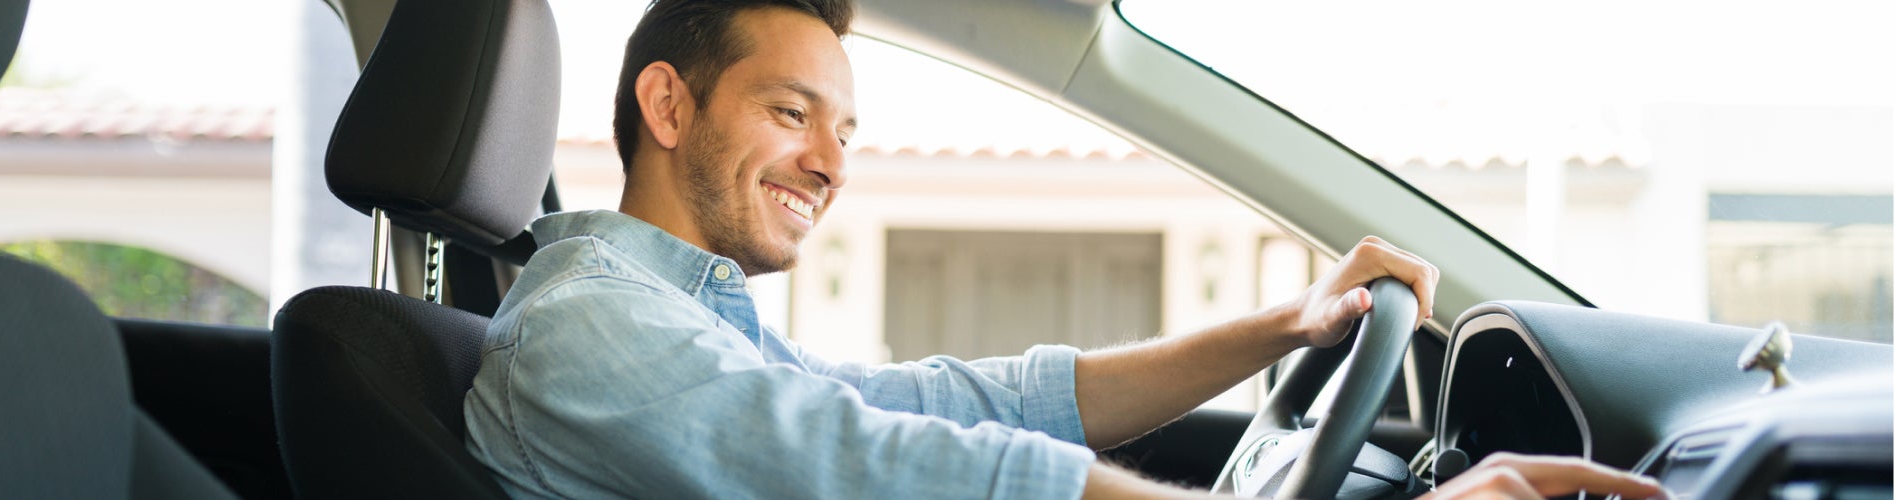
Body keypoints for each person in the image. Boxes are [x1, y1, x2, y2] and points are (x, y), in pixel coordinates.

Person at [461, 1, 1666, 498]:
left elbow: (953, 399)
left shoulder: (684, 320)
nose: (831, 161)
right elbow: (876, 459)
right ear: (667, 108)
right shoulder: (587, 325)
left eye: (845, 128)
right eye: (789, 113)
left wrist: (1287, 324)